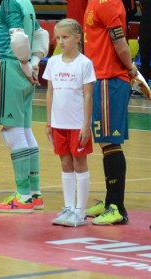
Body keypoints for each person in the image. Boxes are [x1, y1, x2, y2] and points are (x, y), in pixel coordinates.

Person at [78, 0, 139, 225]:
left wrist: (130, 69)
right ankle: (109, 198)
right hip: (98, 79)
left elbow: (120, 43)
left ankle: (117, 207)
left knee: (110, 141)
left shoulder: (109, 2)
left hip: (110, 79)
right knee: (104, 142)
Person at [0, 0, 47, 213]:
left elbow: (19, 36)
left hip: (11, 66)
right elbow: (40, 34)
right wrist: (34, 62)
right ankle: (34, 193)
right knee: (25, 131)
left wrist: (24, 63)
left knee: (12, 133)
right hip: (23, 66)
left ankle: (22, 195)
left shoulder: (11, 1)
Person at [44, 18, 95, 227]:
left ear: (77, 37)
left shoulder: (85, 63)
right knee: (65, 163)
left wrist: (86, 125)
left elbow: (88, 96)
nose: (61, 42)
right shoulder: (53, 63)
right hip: (59, 123)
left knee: (79, 163)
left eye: (65, 37)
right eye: (58, 38)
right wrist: (49, 123)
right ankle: (68, 207)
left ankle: (80, 211)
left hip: (77, 124)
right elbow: (49, 93)